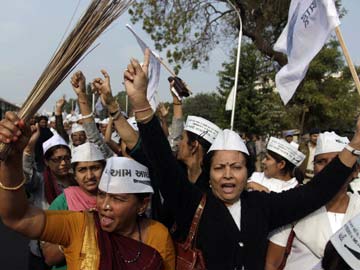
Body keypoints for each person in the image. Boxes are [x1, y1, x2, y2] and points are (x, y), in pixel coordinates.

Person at [122, 49, 360, 269]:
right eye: (219, 168)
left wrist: (355, 144)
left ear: (248, 171)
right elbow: (163, 164)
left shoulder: (261, 206)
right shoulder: (194, 204)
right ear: (210, 172)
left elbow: (315, 192)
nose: (227, 174)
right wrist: (140, 103)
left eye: (236, 167)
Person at [0, 113, 175, 269]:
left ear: (143, 205)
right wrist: (12, 159)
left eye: (118, 199)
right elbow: (18, 217)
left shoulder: (157, 234)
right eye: (101, 194)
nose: (105, 205)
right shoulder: (81, 225)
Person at [265, 131, 360, 270]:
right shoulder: (295, 204)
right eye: (321, 161)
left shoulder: (357, 208)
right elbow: (271, 264)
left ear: (356, 170)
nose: (330, 168)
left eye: (336, 162)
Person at [42, 142, 106, 270]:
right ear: (75, 175)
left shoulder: (116, 198)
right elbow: (50, 257)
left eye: (95, 168)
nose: (90, 176)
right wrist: (80, 231)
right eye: (82, 170)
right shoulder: (63, 203)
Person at [23, 128, 76, 269]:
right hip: (42, 252)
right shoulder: (40, 181)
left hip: (71, 249)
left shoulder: (77, 182)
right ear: (46, 162)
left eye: (66, 158)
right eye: (57, 159)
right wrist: (29, 148)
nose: (63, 163)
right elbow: (26, 176)